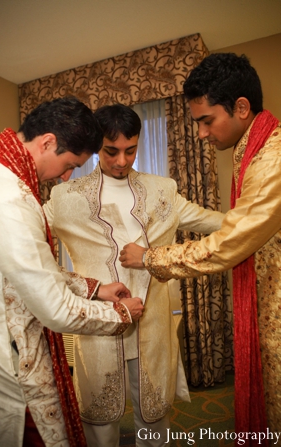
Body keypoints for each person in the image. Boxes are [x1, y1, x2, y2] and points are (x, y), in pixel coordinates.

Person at [120, 53, 281, 440]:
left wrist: (151, 258)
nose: (201, 134)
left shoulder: (272, 159)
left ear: (241, 108)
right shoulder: (255, 154)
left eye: (207, 121)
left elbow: (229, 241)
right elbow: (240, 223)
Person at [43, 103, 225, 447]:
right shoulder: (65, 198)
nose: (122, 161)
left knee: (154, 416)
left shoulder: (163, 190)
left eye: (131, 150)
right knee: (98, 421)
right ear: (97, 146)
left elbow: (213, 222)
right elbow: (26, 237)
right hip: (99, 325)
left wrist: (258, 223)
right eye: (111, 152)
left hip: (152, 321)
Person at [0, 97, 144, 447]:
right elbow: (54, 309)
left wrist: (93, 288)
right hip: (10, 356)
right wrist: (120, 313)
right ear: (47, 143)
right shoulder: (10, 201)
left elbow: (27, 268)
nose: (67, 176)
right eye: (70, 164)